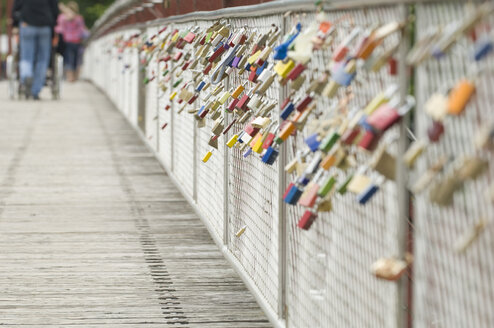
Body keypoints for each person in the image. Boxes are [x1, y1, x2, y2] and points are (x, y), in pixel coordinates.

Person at [12, 0, 59, 100]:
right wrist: (53, 24)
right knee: (42, 59)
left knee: (26, 57)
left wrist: (15, 24)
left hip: (26, 23)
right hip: (45, 25)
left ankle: (26, 76)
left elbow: (16, 8)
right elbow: (55, 10)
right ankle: (35, 90)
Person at [56, 2, 88, 82]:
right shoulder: (63, 18)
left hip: (75, 42)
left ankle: (73, 77)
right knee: (70, 59)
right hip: (68, 42)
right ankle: (71, 77)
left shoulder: (78, 19)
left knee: (75, 60)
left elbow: (81, 31)